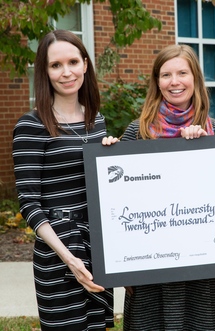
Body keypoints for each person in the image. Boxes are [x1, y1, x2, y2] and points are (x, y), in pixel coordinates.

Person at [120, 44, 215, 331]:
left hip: (205, 269)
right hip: (150, 269)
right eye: (166, 75)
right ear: (157, 82)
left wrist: (211, 149)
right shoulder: (137, 133)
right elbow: (118, 206)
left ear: (195, 78)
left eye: (182, 73)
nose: (175, 82)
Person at [12, 30, 119, 330]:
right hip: (58, 250)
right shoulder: (31, 125)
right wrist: (69, 259)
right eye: (55, 65)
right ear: (44, 72)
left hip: (95, 241)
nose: (66, 72)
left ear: (85, 64)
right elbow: (29, 204)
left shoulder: (96, 120)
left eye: (73, 61)